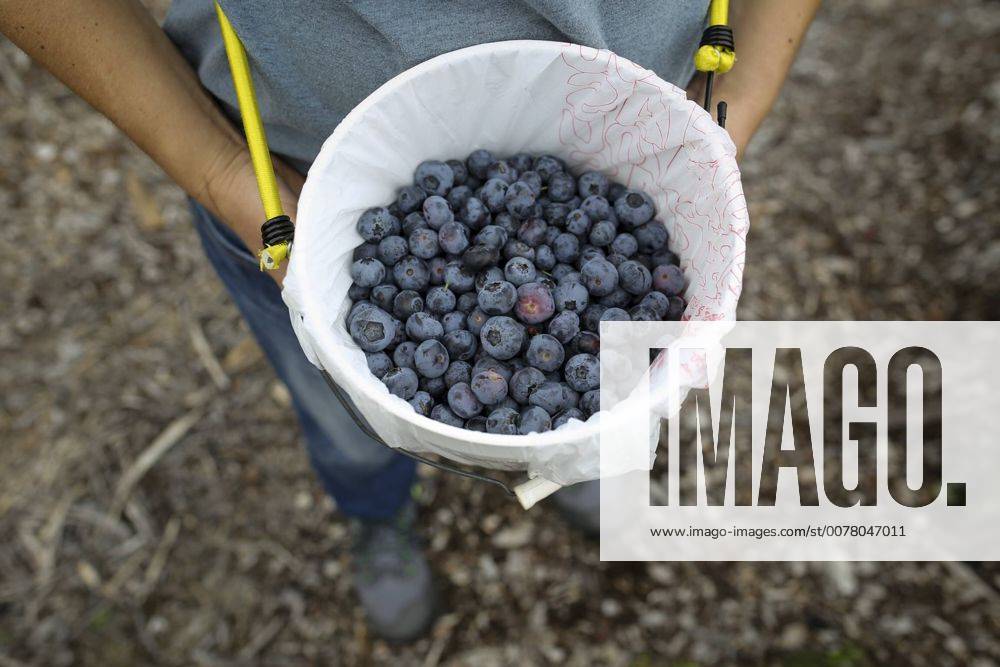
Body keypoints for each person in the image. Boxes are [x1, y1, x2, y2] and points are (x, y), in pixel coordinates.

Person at [0, 0, 819, 642]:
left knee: (599, 396)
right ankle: (375, 506)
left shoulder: (579, 259)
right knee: (347, 415)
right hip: (289, 192)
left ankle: (575, 457)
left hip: (646, 124)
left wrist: (737, 100)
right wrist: (221, 173)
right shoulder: (457, 267)